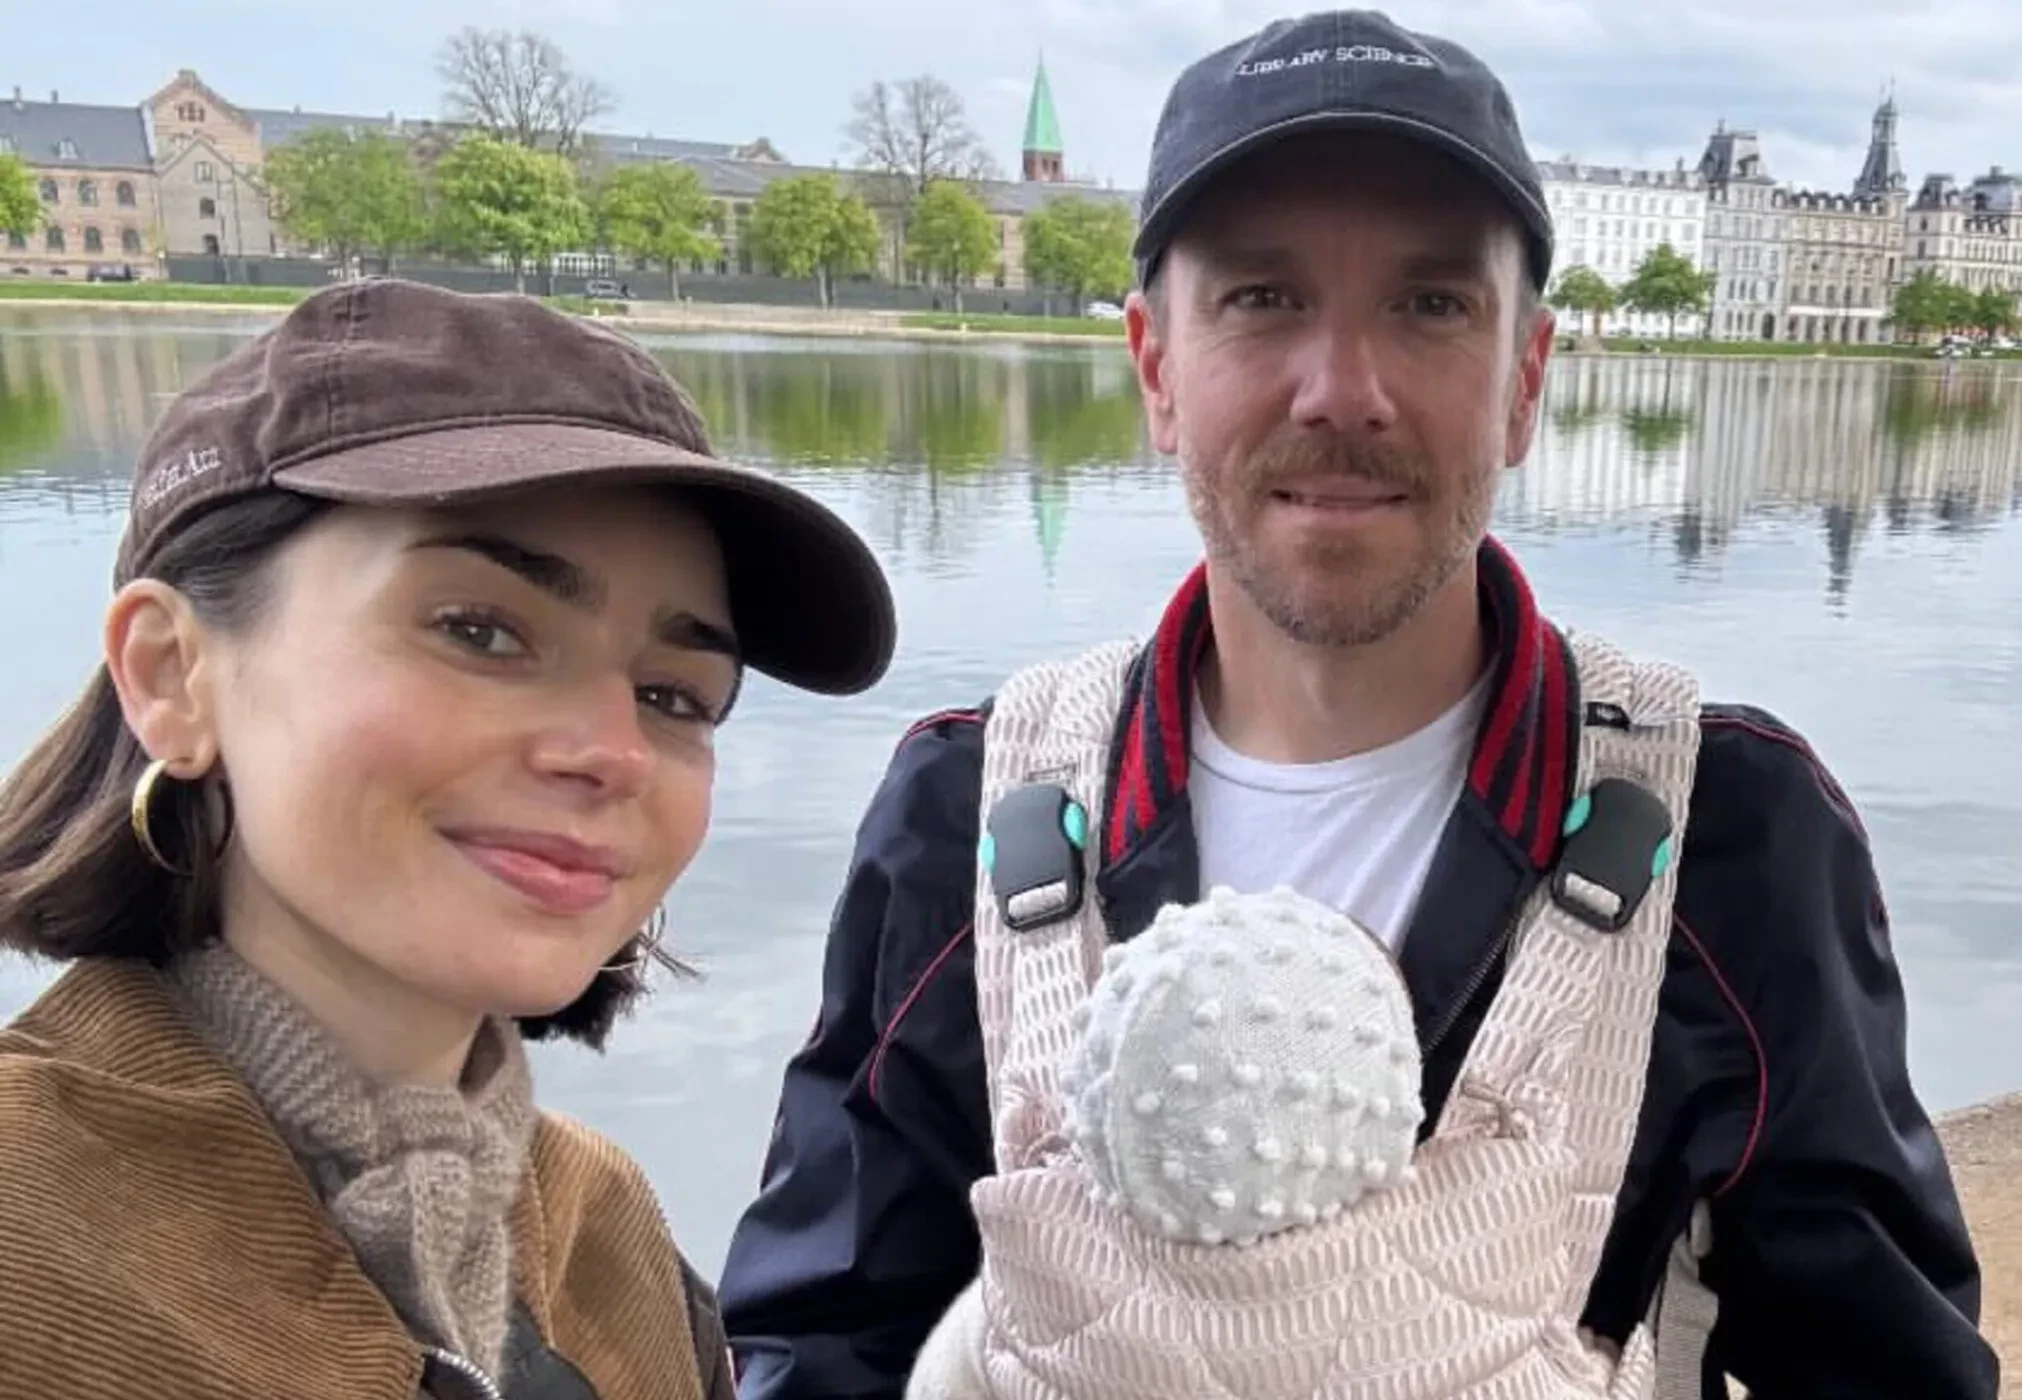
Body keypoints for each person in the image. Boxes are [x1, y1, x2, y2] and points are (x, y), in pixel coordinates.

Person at [716, 12, 1998, 1400]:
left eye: (1430, 305)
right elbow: (819, 1342)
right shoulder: (963, 811)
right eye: (1262, 298)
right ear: (1155, 366)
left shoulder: (1734, 831)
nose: (1343, 391)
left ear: (1525, 380)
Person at [0, 278, 896, 1400]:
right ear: (171, 674)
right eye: (480, 630)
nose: (611, 750)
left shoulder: (610, 1230)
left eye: (673, 694)